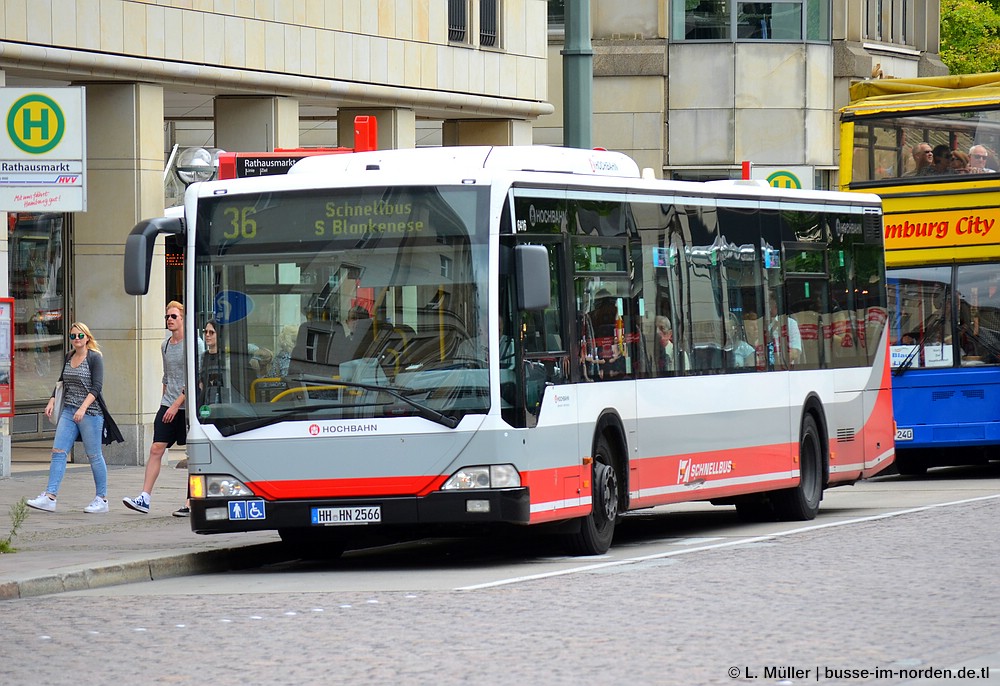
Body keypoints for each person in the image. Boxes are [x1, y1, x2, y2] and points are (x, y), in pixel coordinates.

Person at [26, 323, 116, 514]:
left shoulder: (94, 358)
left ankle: (102, 499)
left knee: (94, 455)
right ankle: (50, 497)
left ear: (87, 337)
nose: (76, 339)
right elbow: (61, 381)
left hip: (90, 412)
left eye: (80, 336)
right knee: (58, 451)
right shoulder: (69, 356)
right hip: (68, 410)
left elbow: (96, 387)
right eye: (73, 336)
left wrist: (83, 408)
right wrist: (51, 400)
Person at [123, 300, 199, 516]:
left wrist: (176, 405)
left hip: (188, 406)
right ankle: (144, 498)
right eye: (167, 316)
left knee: (194, 455)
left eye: (174, 316)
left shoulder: (194, 343)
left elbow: (196, 379)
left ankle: (191, 502)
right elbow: (167, 375)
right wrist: (165, 400)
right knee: (156, 448)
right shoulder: (165, 345)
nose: (169, 320)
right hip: (168, 403)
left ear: (183, 319)